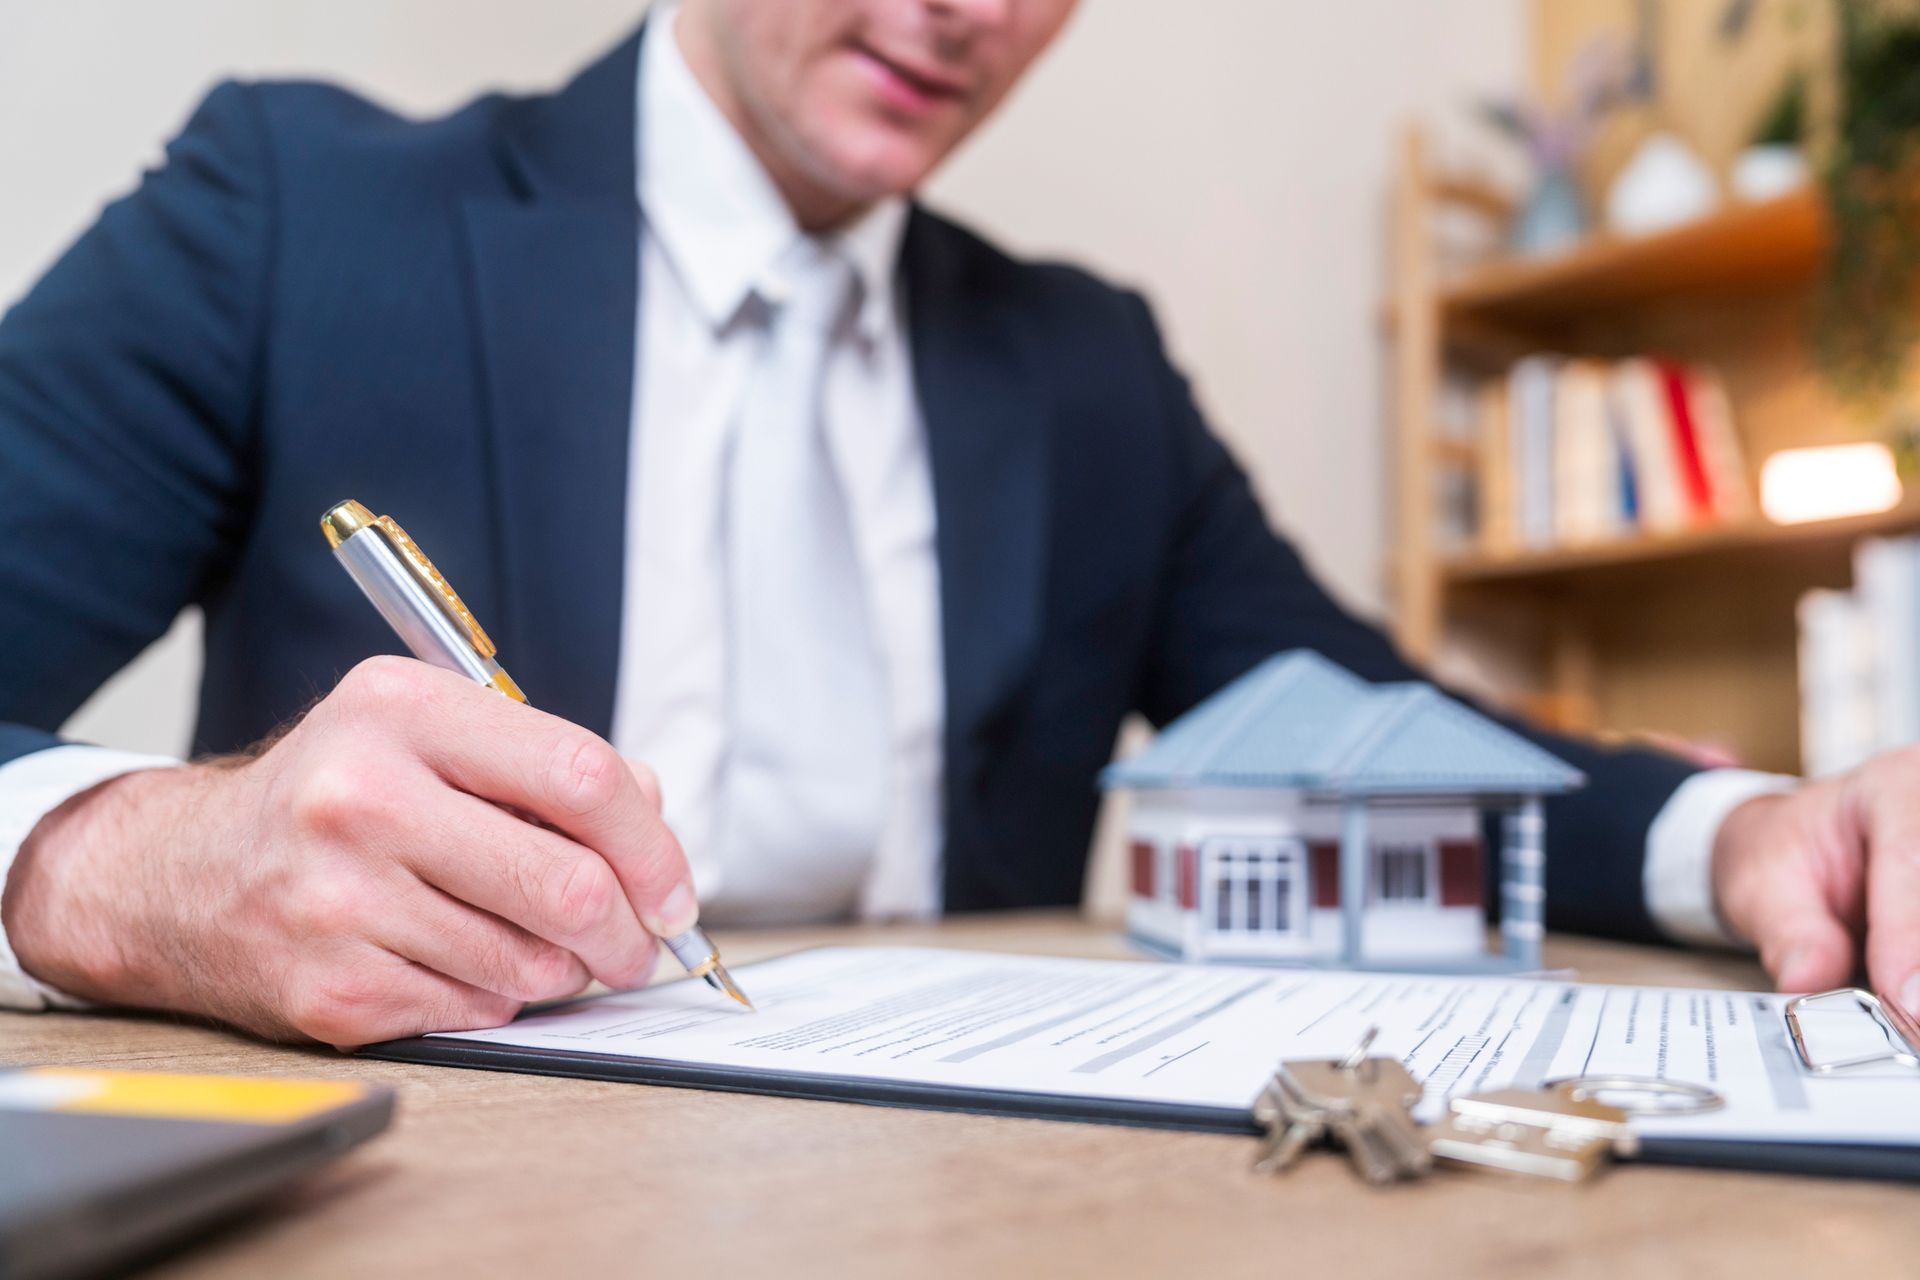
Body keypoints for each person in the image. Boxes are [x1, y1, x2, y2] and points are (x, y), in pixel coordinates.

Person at [0, 0, 1908, 1049]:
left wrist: (1748, 836)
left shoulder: (1088, 367)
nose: (971, 10)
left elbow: (1358, 722)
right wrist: (122, 868)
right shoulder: (292, 213)